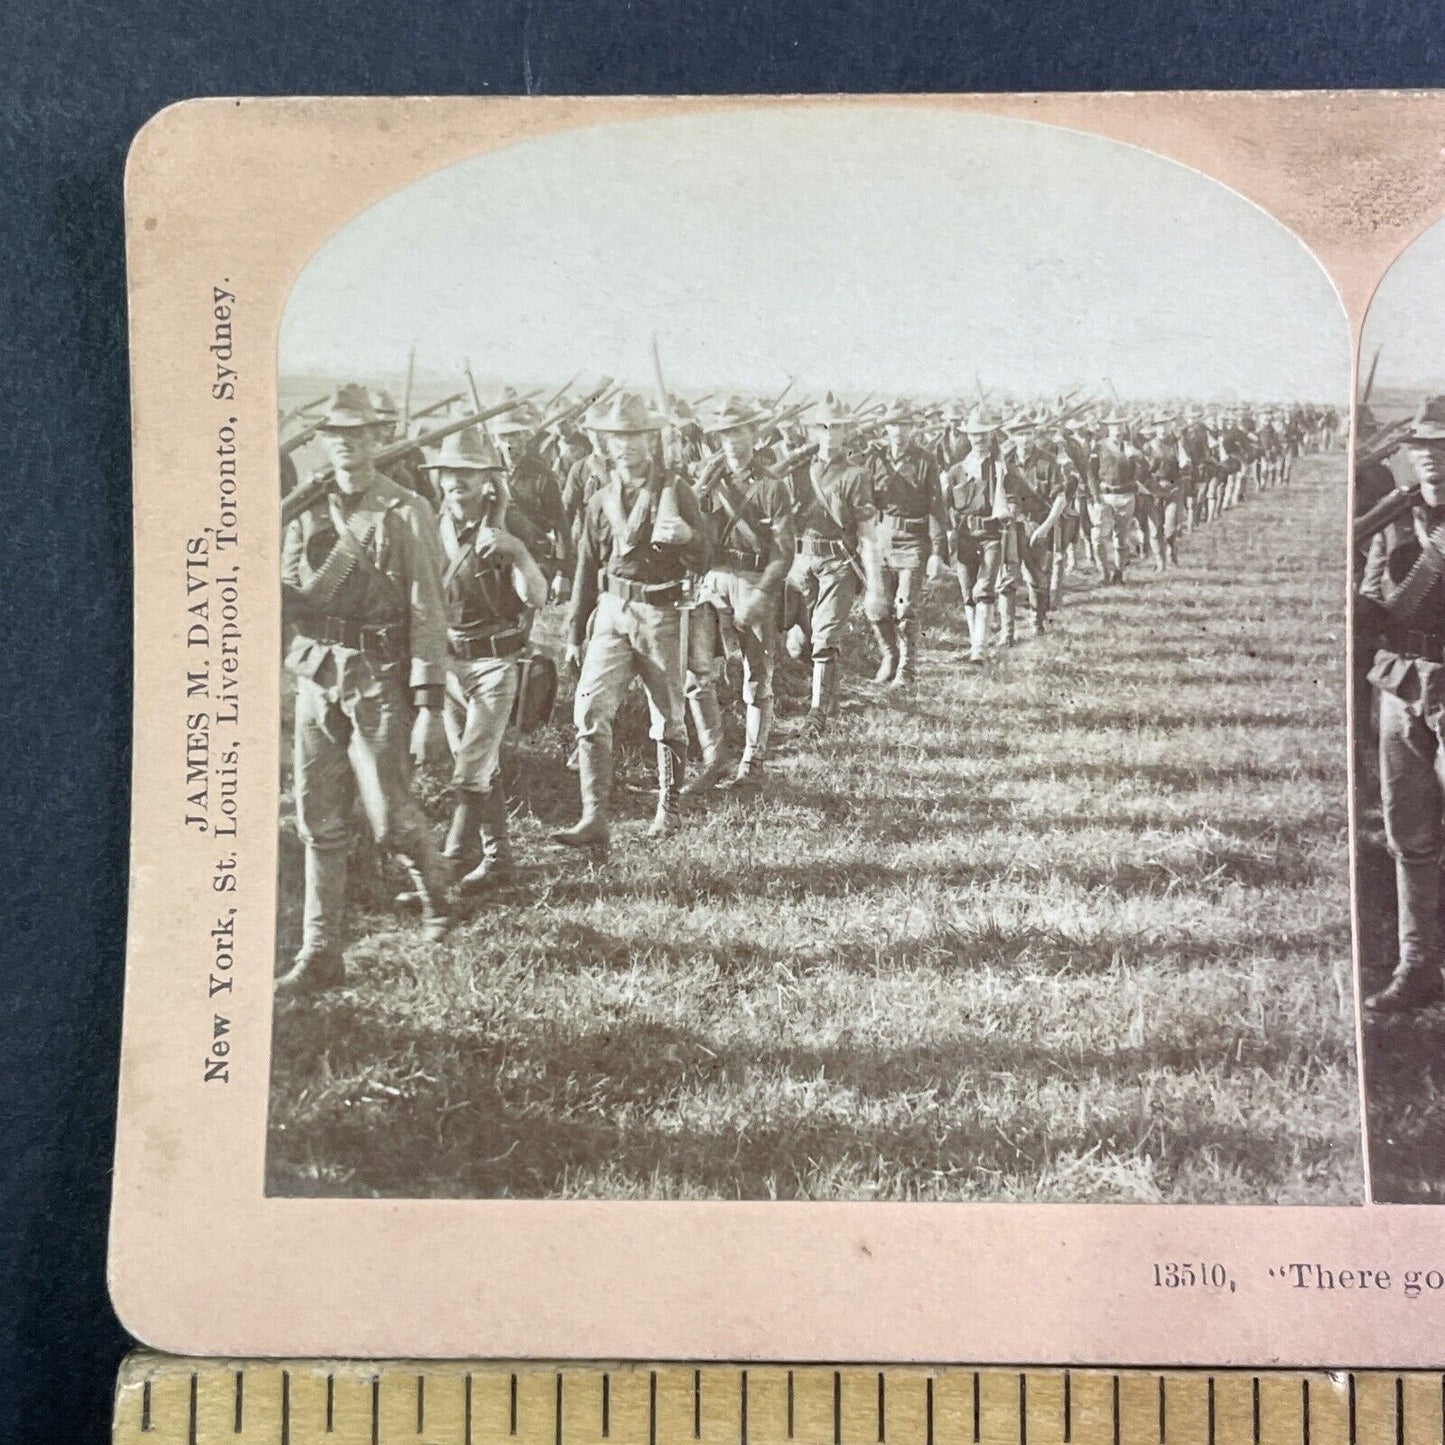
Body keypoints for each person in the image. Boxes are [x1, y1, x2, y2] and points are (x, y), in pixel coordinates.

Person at [277, 385, 453, 995]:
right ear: (323, 442)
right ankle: (320, 953)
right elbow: (290, 588)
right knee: (316, 819)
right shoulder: (305, 507)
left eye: (357, 433)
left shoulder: (406, 511)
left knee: (390, 817)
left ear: (377, 439)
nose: (345, 444)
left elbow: (428, 609)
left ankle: (438, 899)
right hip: (316, 672)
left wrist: (429, 704)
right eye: (335, 434)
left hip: (379, 677)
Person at [554, 391, 712, 852]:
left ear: (651, 439)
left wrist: (686, 536)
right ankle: (594, 817)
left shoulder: (674, 490)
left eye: (636, 436)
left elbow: (705, 553)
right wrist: (573, 631)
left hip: (662, 613)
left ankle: (668, 809)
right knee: (589, 711)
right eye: (617, 437)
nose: (626, 445)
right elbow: (587, 566)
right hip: (612, 610)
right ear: (605, 443)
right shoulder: (600, 497)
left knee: (669, 717)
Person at [421, 427, 548, 895]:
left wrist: (517, 553)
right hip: (451, 660)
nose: (458, 481)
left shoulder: (511, 527)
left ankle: (453, 859)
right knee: (481, 765)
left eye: (469, 473)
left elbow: (538, 596)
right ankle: (498, 859)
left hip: (497, 661)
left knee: (470, 767)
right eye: (450, 472)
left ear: (487, 480)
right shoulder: (432, 527)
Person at [1359, 395, 1445, 1015]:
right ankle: (1417, 968)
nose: (1432, 459)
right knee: (1408, 836)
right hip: (1400, 685)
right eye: (1423, 449)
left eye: (1442, 449)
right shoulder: (1393, 519)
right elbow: (1371, 600)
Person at [683, 396, 796, 791]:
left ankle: (754, 762)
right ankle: (713, 759)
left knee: (756, 678)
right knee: (697, 672)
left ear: (754, 434)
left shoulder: (771, 486)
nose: (733, 441)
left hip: (752, 579)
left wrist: (763, 593)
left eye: (740, 431)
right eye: (726, 434)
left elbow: (784, 551)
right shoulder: (709, 479)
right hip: (713, 580)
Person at [783, 395, 878, 734]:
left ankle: (816, 715)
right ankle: (828, 694)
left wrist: (875, 587)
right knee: (799, 645)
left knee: (824, 638)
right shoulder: (796, 471)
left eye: (837, 427)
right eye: (823, 427)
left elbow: (867, 532)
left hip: (837, 563)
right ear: (813, 431)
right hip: (800, 562)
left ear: (846, 432)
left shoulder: (856, 475)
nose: (830, 434)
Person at [866, 400, 949, 685]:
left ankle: (907, 668)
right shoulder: (875, 458)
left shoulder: (925, 460)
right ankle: (889, 655)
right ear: (885, 428)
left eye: (904, 425)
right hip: (881, 537)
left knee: (905, 608)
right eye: (893, 425)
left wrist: (938, 551)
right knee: (876, 607)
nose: (898, 431)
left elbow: (936, 506)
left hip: (913, 541)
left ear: (912, 428)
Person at [1087, 410, 1140, 585]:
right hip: (1105, 497)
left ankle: (1119, 573)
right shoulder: (1100, 446)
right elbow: (1091, 474)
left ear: (1125, 427)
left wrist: (1137, 459)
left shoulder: (1131, 447)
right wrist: (1095, 498)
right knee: (1098, 536)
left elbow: (1143, 473)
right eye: (1113, 425)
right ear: (1108, 428)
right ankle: (1103, 573)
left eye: (1120, 425)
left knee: (1121, 538)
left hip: (1126, 496)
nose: (1117, 429)